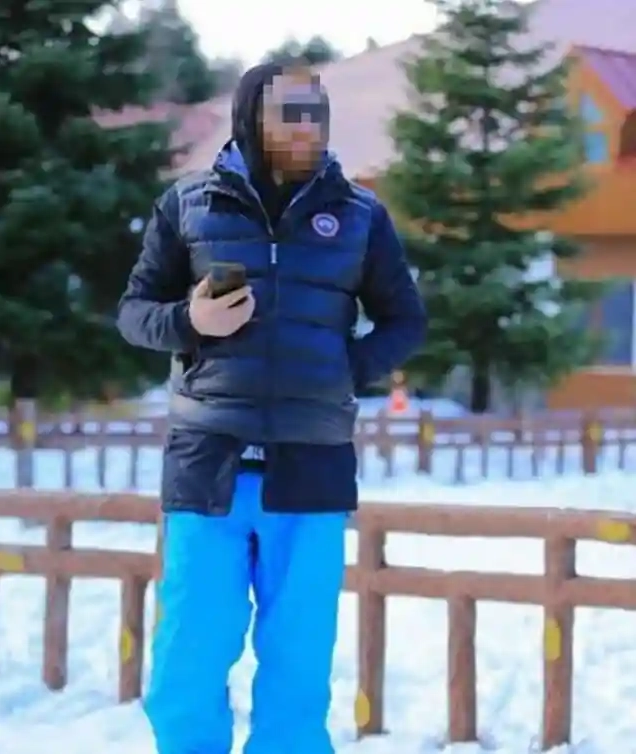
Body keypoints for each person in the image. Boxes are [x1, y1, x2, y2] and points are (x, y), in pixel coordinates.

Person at [117, 62, 426, 754]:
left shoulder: (360, 216)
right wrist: (190, 320)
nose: (308, 126)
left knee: (298, 670)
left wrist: (344, 369)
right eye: (291, 111)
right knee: (187, 662)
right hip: (208, 463)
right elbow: (134, 314)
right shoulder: (189, 204)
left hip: (312, 466)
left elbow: (405, 319)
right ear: (251, 117)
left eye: (317, 111)